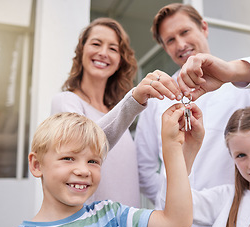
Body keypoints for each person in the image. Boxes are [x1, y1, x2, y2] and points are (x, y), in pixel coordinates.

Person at [134, 3, 250, 227]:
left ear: (204, 28)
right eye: (170, 40)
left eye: (185, 32)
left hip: (232, 223)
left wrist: (231, 71)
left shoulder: (241, 85)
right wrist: (176, 201)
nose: (180, 44)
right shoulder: (157, 99)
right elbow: (144, 169)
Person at [4, 105, 204, 227]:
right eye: (68, 158)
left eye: (93, 161)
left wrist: (174, 146)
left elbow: (178, 220)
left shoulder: (113, 216)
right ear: (37, 165)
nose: (83, 170)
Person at [51, 18, 182, 208]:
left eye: (113, 48)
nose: (103, 53)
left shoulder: (117, 113)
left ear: (120, 60)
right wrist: (134, 100)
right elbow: (84, 147)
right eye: (96, 44)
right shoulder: (66, 102)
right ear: (81, 51)